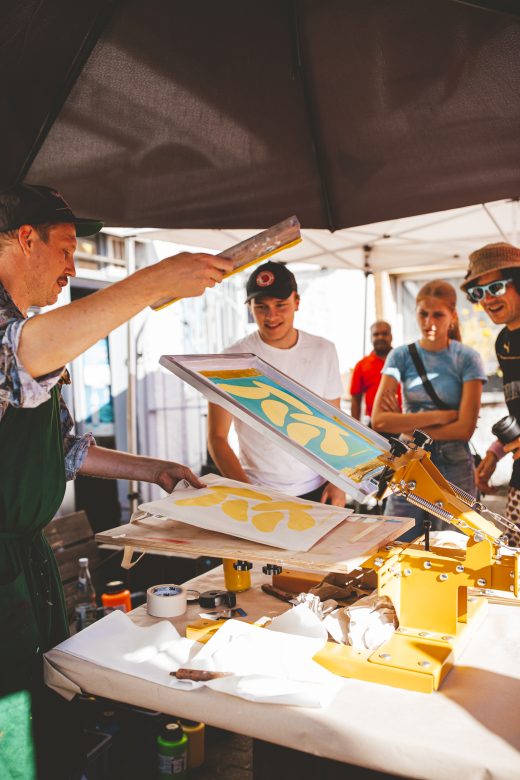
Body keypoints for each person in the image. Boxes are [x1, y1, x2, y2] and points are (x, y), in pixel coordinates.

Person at [0, 183, 234, 778]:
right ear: (25, 240)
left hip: (25, 568)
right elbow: (22, 355)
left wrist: (152, 470)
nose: (72, 269)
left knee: (45, 723)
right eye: (66, 250)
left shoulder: (34, 333)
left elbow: (62, 450)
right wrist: (154, 282)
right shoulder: (26, 339)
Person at [207, 261, 346, 506]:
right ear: (250, 307)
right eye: (261, 307)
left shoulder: (324, 350)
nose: (271, 316)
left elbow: (334, 423)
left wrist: (338, 482)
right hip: (257, 488)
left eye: (280, 305)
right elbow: (217, 438)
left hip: (318, 487)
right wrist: (247, 493)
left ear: (297, 302)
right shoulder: (230, 359)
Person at [371, 280, 486, 542]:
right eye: (423, 314)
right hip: (410, 459)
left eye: (438, 315)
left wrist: (404, 421)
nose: (429, 322)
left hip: (454, 461)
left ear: (452, 317)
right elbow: (379, 419)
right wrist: (443, 416)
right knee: (397, 539)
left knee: (454, 544)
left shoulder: (468, 358)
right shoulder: (400, 356)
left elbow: (464, 428)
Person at [461, 242, 520, 545]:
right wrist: (496, 452)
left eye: (496, 287)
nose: (487, 300)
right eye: (478, 293)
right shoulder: (504, 342)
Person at [349, 320, 401, 425]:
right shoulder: (362, 365)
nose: (380, 337)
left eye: (384, 334)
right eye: (376, 334)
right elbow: (356, 399)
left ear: (391, 336)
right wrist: (354, 427)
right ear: (371, 338)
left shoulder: (403, 361)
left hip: (403, 423)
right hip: (374, 425)